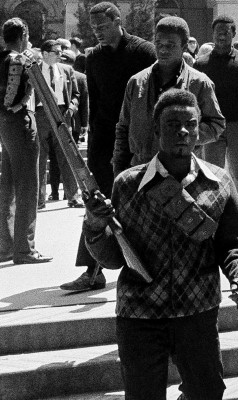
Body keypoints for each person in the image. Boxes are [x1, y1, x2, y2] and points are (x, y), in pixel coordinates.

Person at [84, 89, 238, 400]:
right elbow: (109, 257)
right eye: (171, 126)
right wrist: (94, 225)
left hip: (196, 314)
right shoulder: (127, 185)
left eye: (189, 125)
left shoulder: (219, 183)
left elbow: (236, 243)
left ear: (200, 129)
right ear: (155, 132)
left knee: (208, 396)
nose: (182, 132)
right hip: (140, 319)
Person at [59, 1, 156, 292]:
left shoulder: (143, 52)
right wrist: (95, 146)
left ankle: (146, 267)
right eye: (94, 28)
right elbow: (97, 103)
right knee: (96, 203)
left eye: (102, 26)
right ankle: (92, 270)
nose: (98, 32)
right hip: (105, 140)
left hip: (138, 140)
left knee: (141, 204)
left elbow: (153, 97)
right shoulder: (94, 58)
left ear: (117, 20)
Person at [113, 17, 225, 179]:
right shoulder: (137, 82)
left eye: (170, 45)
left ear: (184, 47)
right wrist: (119, 167)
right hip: (141, 169)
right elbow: (123, 127)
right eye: (159, 44)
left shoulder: (200, 83)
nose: (163, 50)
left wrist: (185, 137)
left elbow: (216, 124)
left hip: (182, 171)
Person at [194, 15, 238, 209]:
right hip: (211, 126)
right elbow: (195, 98)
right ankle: (215, 215)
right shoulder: (201, 63)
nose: (221, 36)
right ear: (212, 34)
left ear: (233, 33)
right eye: (217, 32)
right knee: (211, 173)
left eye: (225, 32)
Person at [0, 18, 50, 265]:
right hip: (20, 120)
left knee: (7, 185)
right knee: (28, 186)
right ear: (23, 35)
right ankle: (24, 249)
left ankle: (6, 245)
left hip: (4, 125)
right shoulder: (22, 59)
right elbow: (23, 93)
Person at [36, 39, 81, 208]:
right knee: (40, 158)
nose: (60, 55)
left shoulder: (67, 70)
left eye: (61, 52)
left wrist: (71, 108)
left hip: (62, 115)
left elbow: (76, 94)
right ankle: (40, 199)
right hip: (41, 115)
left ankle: (73, 196)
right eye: (56, 52)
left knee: (68, 156)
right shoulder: (35, 71)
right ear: (45, 54)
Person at [59, 49, 88, 145]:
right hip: (75, 122)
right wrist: (84, 124)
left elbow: (83, 100)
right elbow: (84, 102)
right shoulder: (81, 77)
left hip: (65, 120)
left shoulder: (57, 74)